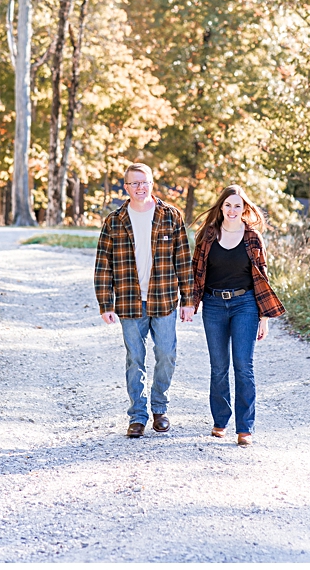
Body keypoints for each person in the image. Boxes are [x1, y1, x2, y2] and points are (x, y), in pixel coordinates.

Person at [94, 162, 193, 437]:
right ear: (126, 187)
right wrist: (106, 304)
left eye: (144, 182)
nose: (140, 187)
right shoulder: (114, 221)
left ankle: (160, 409)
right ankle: (137, 416)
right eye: (134, 183)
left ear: (152, 183)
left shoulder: (170, 216)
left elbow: (183, 261)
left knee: (166, 355)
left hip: (164, 301)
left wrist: (188, 300)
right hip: (128, 301)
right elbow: (103, 265)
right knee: (135, 359)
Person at [187, 184, 286, 446]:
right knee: (219, 367)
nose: (232, 210)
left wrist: (263, 318)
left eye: (237, 206)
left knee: (244, 366)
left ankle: (245, 427)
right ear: (221, 206)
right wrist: (190, 304)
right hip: (214, 304)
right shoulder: (208, 235)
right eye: (228, 205)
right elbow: (196, 272)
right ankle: (220, 421)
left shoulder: (252, 237)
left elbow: (262, 277)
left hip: (245, 304)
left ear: (245, 209)